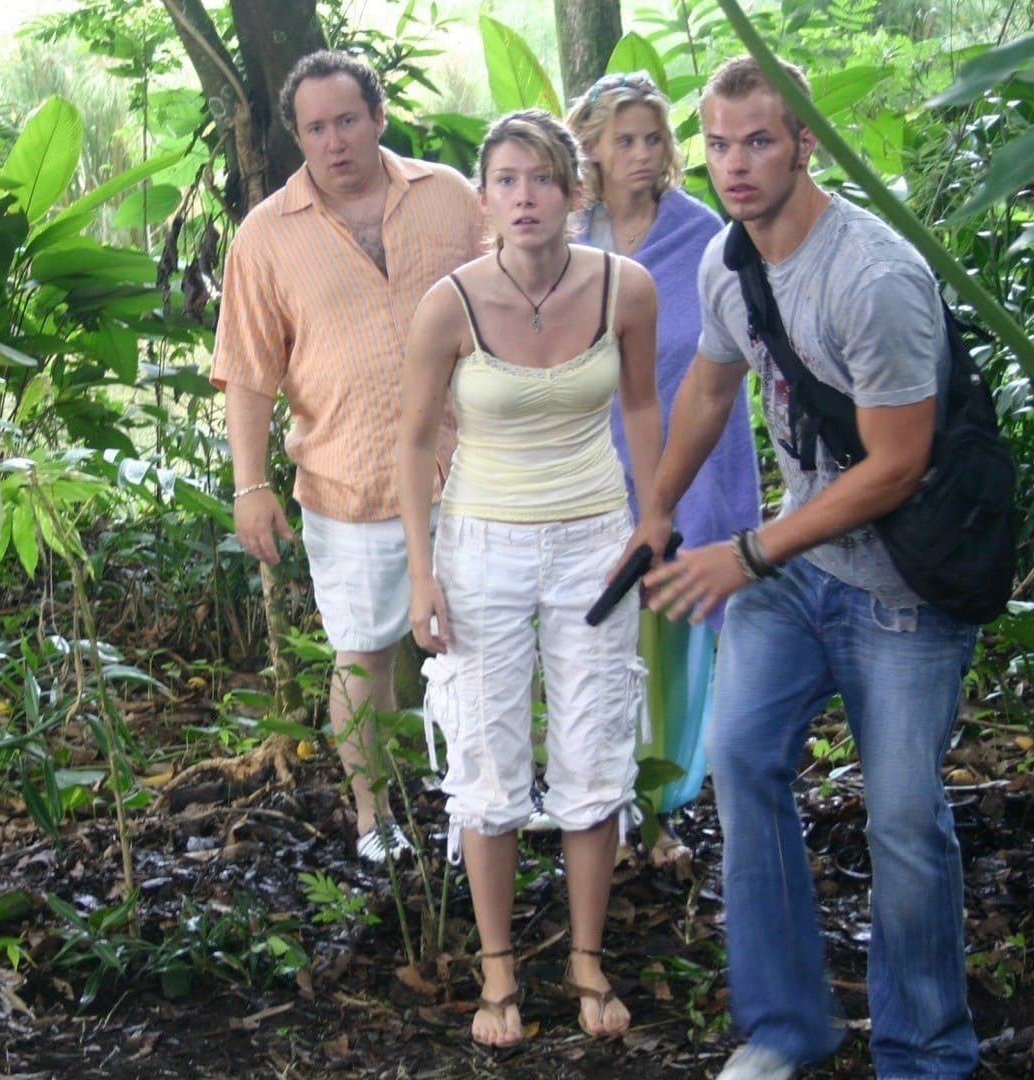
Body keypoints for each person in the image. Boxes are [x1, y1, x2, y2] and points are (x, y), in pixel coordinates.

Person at [630, 56, 980, 1080]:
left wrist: (745, 552)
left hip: (901, 591)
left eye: (760, 143)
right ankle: (786, 1028)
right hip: (797, 570)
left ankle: (925, 1053)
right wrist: (654, 512)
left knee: (906, 819)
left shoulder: (871, 279)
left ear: (804, 146)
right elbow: (706, 389)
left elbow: (898, 465)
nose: (735, 166)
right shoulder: (729, 261)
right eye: (721, 144)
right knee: (740, 761)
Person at [398, 109, 661, 1047]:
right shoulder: (451, 302)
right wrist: (423, 576)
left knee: (594, 748)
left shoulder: (625, 288)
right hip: (481, 548)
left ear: (574, 191)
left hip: (596, 541)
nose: (524, 197)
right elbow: (416, 439)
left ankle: (587, 958)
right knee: (487, 758)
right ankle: (500, 971)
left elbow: (640, 404)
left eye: (542, 179)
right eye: (506, 180)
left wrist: (655, 517)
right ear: (485, 197)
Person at [212, 50, 484, 863]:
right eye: (315, 129)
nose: (334, 142)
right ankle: (378, 820)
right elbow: (247, 374)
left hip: (471, 472)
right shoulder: (266, 236)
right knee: (364, 653)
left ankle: (478, 805)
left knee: (481, 640)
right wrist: (251, 484)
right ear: (296, 136)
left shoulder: (451, 198)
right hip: (347, 483)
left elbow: (522, 294)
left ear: (379, 116)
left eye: (347, 121)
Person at [566, 71, 761, 868]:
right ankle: (590, 805)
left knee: (668, 651)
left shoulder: (702, 234)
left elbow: (728, 358)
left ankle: (654, 815)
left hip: (685, 470)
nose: (643, 155)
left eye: (654, 139)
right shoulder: (568, 235)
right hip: (583, 473)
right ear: (593, 151)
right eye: (625, 141)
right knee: (591, 649)